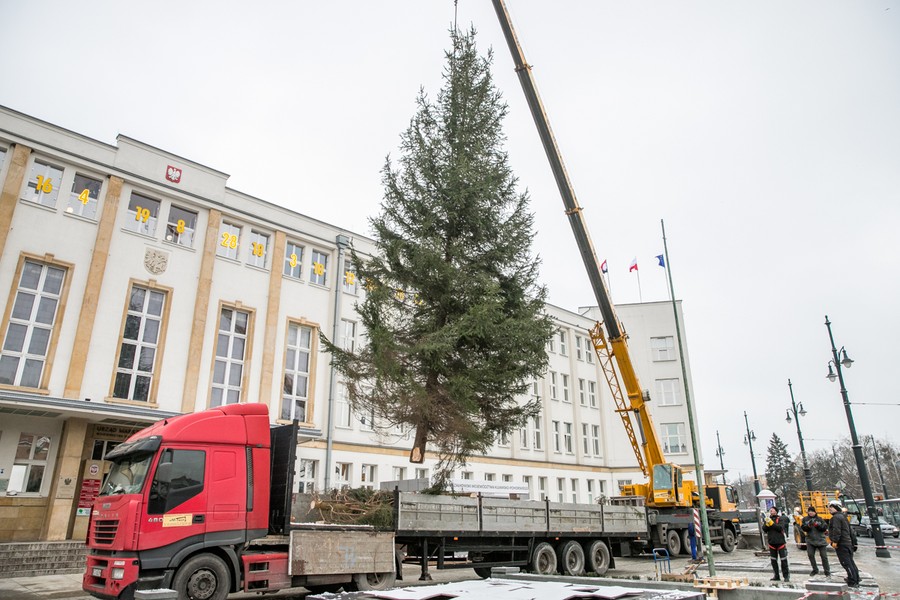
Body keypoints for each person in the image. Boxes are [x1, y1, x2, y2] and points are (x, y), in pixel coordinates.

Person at [827, 500, 860, 587]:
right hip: (847, 543)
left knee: (846, 563)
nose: (829, 509)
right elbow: (850, 531)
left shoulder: (836, 518)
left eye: (831, 507)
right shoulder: (843, 517)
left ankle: (852, 581)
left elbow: (836, 530)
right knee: (851, 562)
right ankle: (856, 578)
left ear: (836, 508)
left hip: (842, 544)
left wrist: (835, 541)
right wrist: (853, 542)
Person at [800, 506, 831, 577]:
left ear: (815, 512)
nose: (810, 513)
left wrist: (818, 526)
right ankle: (815, 569)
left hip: (821, 540)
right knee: (810, 555)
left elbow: (824, 527)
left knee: (824, 557)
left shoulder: (820, 519)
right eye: (809, 511)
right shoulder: (805, 519)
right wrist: (808, 526)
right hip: (810, 540)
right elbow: (803, 528)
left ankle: (827, 571)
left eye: (812, 511)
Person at [763, 505, 790, 582]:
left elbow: (780, 528)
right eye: (770, 509)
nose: (771, 510)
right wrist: (766, 524)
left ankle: (786, 576)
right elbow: (764, 529)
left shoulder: (780, 519)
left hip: (780, 542)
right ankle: (776, 576)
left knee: (783, 560)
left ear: (776, 511)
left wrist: (772, 524)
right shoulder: (768, 519)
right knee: (773, 561)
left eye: (772, 509)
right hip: (772, 543)